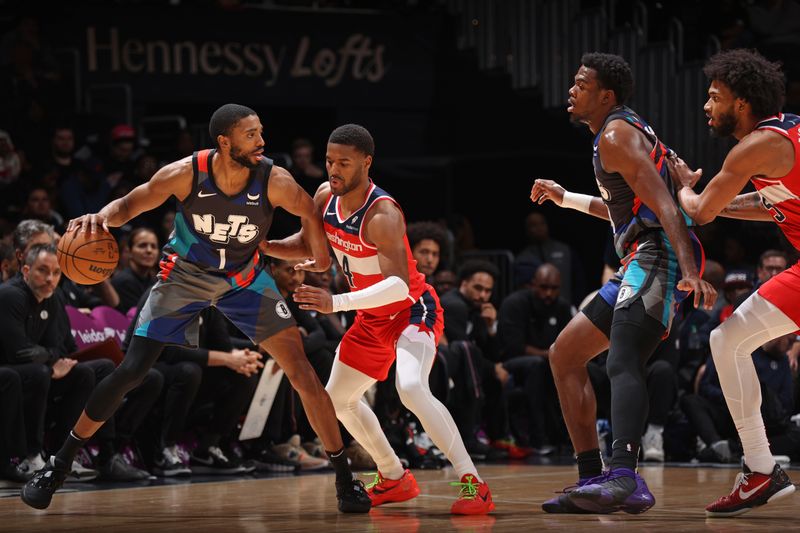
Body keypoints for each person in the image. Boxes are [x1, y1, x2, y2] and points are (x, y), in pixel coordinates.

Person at [20, 103, 371, 513]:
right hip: (183, 276)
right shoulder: (185, 173)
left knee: (303, 373)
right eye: (251, 134)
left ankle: (345, 479)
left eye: (261, 132)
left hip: (244, 279)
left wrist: (291, 251)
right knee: (132, 370)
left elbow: (316, 236)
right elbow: (131, 204)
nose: (262, 141)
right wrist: (101, 217)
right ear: (224, 142)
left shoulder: (275, 181)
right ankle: (58, 466)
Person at [266, 124, 494, 514]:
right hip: (370, 317)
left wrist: (334, 302)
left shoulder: (383, 213)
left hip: (410, 309)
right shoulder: (324, 196)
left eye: (343, 163)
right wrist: (264, 246)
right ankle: (393, 476)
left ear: (366, 163)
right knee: (337, 400)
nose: (333, 170)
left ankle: (474, 483)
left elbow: (398, 286)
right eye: (328, 160)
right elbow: (310, 248)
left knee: (410, 387)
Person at [530, 52, 716, 514]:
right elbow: (625, 210)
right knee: (565, 355)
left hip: (660, 255)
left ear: (606, 95)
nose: (571, 90)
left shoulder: (615, 134)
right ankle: (592, 478)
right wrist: (565, 197)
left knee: (623, 357)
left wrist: (691, 271)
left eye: (581, 84)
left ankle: (626, 477)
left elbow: (668, 209)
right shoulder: (627, 129)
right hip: (641, 255)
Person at [670, 48, 798, 516]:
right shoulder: (787, 130)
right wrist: (712, 201)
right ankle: (761, 469)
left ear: (740, 103)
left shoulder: (753, 147)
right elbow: (773, 203)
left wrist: (684, 186)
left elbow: (699, 212)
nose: (706, 106)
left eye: (713, 96)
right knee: (728, 339)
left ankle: (762, 469)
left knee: (727, 340)